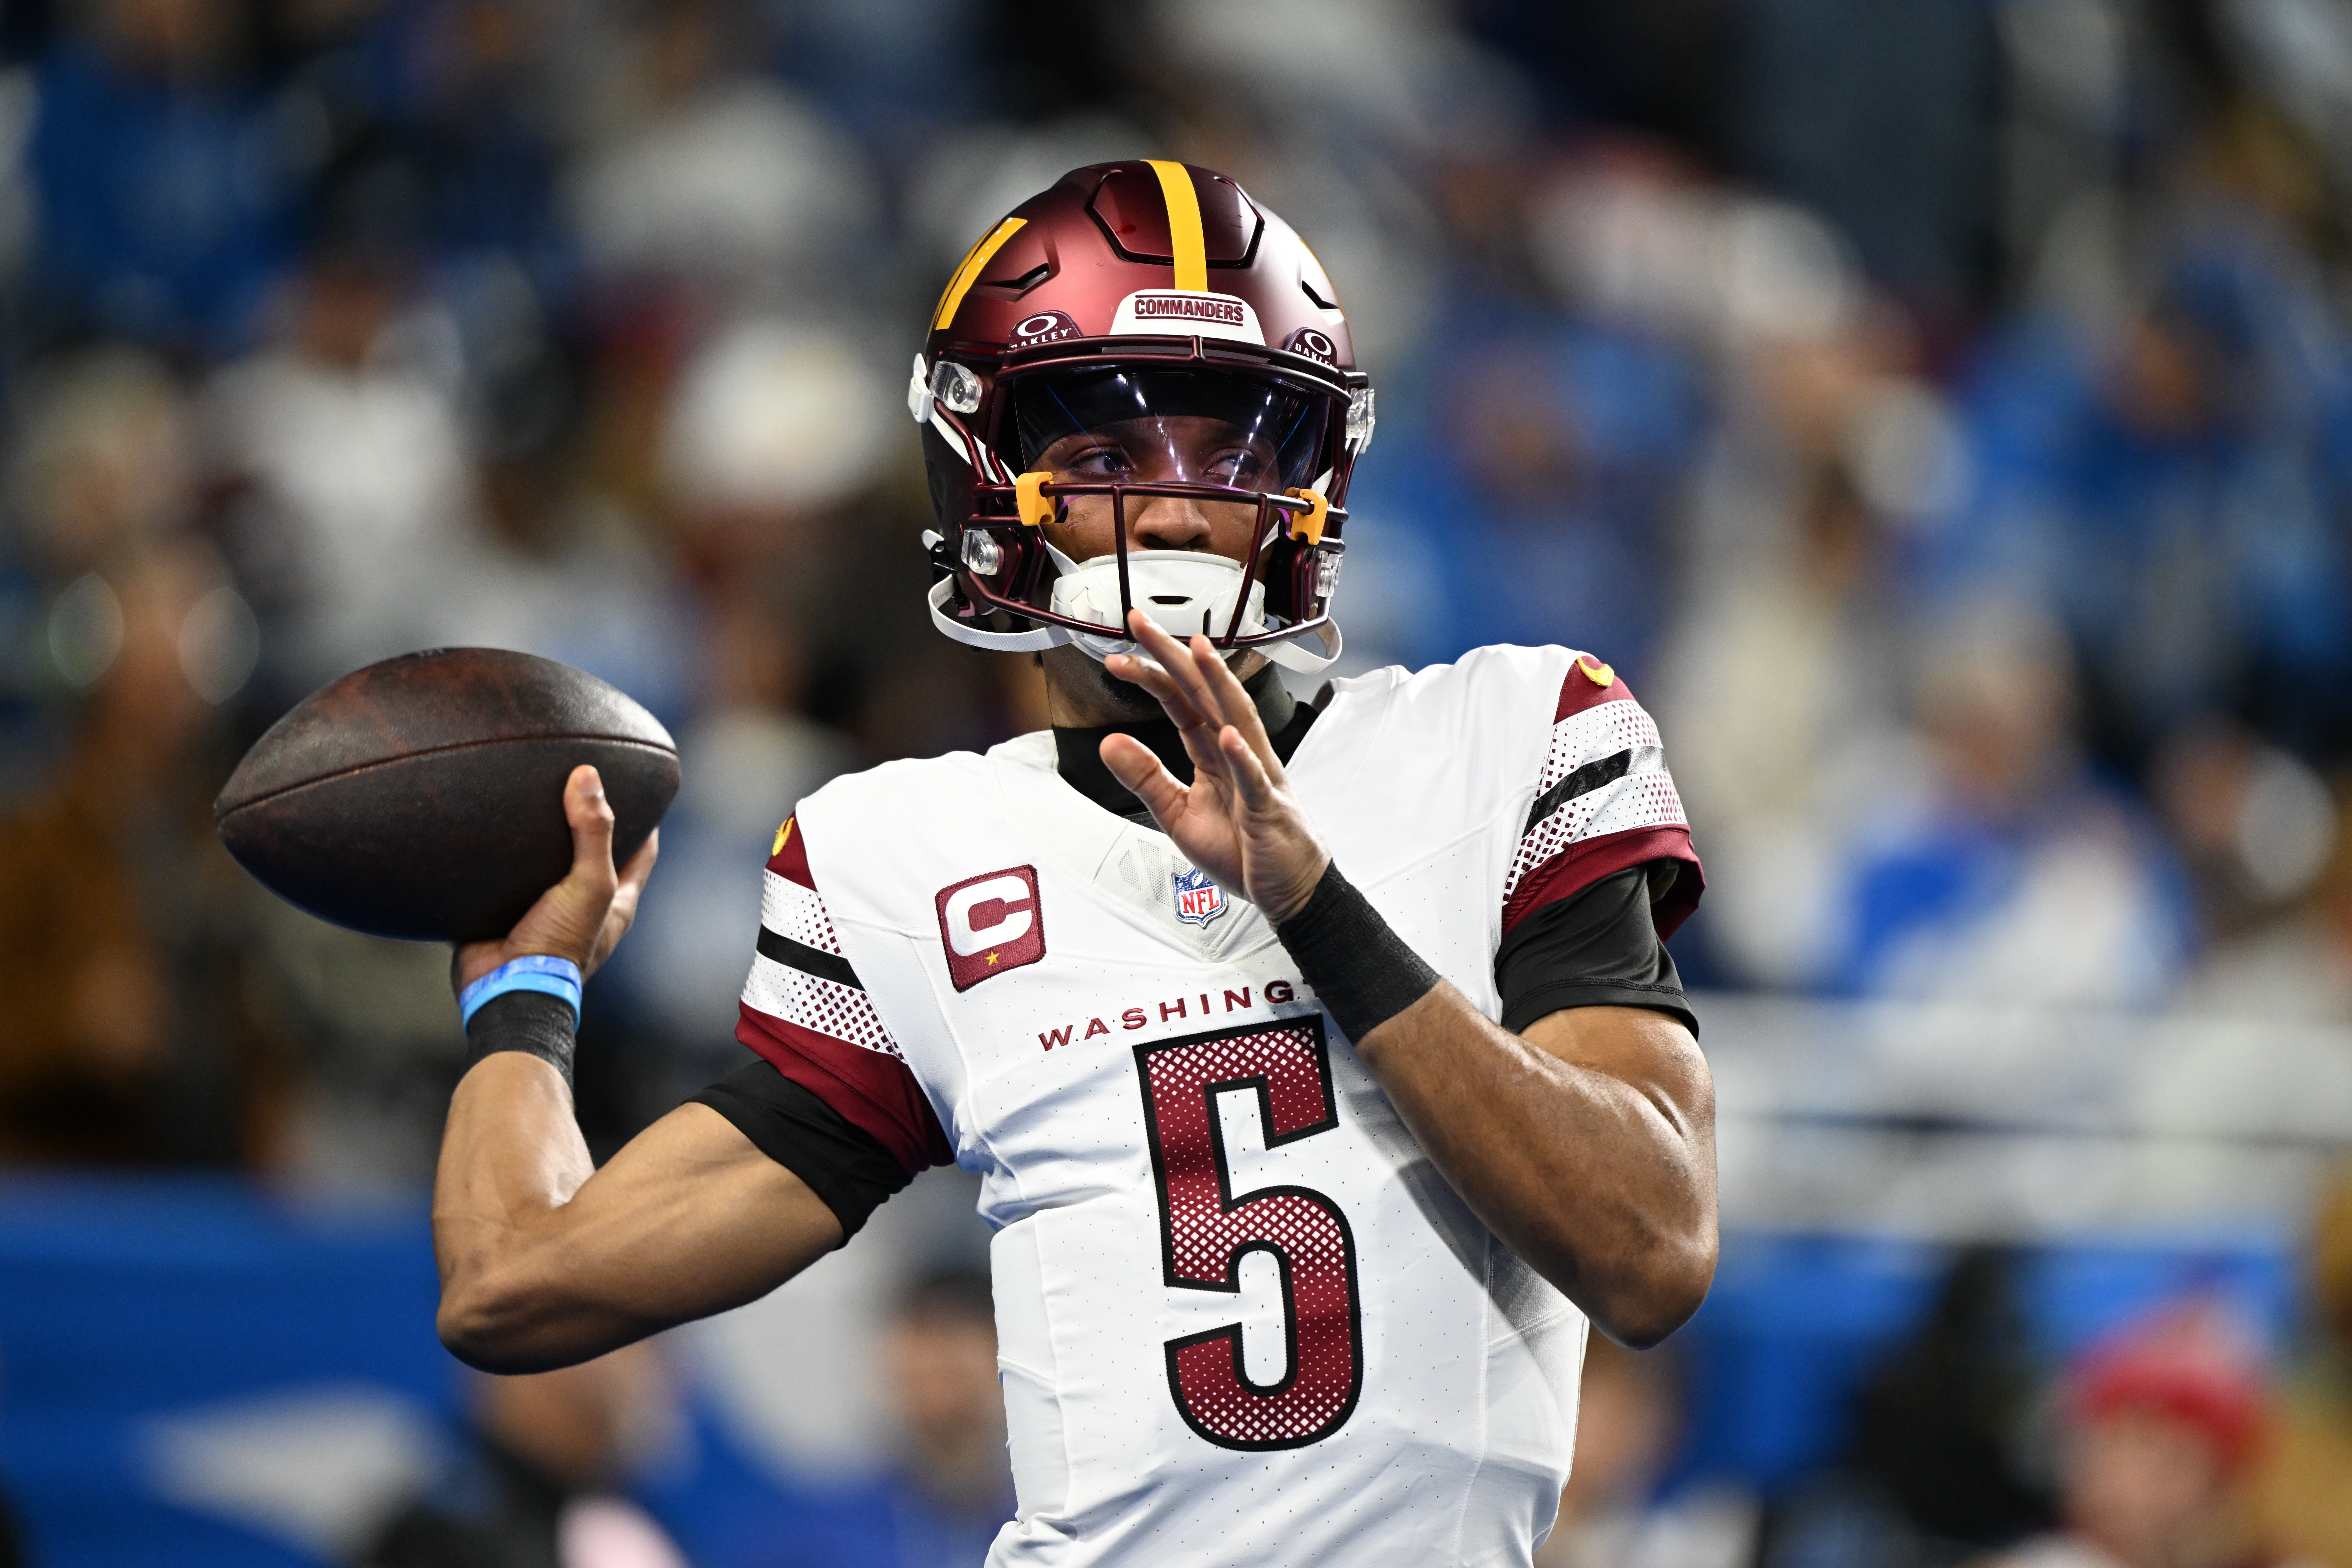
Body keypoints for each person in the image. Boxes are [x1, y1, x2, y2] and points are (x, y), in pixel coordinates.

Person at [428, 161, 1718, 1565]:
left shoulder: (1512, 735)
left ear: (1310, 480)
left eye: (1229, 451)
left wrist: (1316, 903)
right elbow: (513, 1285)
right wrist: (526, 990)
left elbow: (1650, 1245)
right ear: (990, 476)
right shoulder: (906, 855)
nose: (1170, 513)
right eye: (1107, 455)